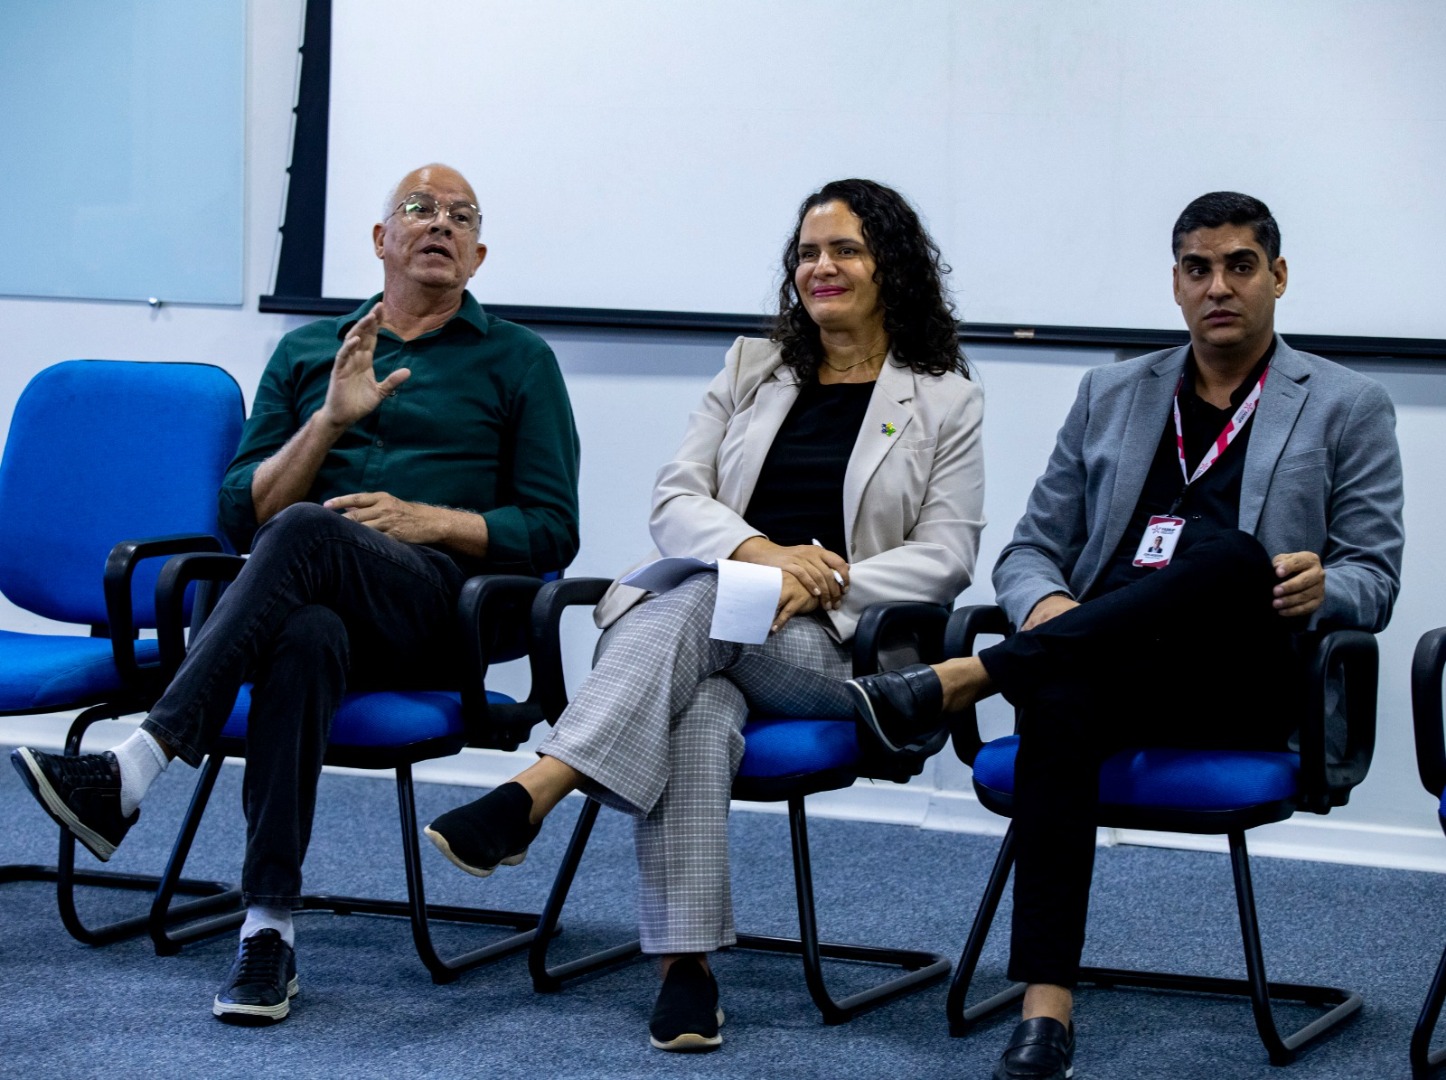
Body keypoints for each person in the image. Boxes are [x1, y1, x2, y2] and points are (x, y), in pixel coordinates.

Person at [849, 191, 1404, 1080]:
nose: (1217, 285)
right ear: (1176, 284)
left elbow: (1375, 579)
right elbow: (1032, 548)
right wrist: (1043, 612)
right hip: (1097, 661)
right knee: (1063, 692)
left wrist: (1325, 585)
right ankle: (1045, 1012)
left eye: (1239, 266)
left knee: (1231, 561)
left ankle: (968, 676)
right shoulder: (1112, 391)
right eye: (1197, 268)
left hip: (1241, 677)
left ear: (1278, 276)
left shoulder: (1347, 403)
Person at [11, 163, 581, 1024]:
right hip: (314, 608)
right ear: (380, 239)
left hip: (437, 612)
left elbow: (550, 527)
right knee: (305, 627)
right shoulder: (312, 352)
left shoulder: (520, 361)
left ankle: (139, 760)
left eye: (461, 218)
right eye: (419, 210)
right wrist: (329, 421)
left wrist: (432, 520)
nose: (440, 225)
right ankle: (266, 930)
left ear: (479, 254)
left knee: (309, 533)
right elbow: (245, 510)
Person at [424, 178, 985, 1052]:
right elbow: (676, 497)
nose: (821, 268)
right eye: (806, 252)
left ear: (893, 268)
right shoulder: (751, 366)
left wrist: (820, 582)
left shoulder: (943, 397)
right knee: (699, 702)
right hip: (721, 633)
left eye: (845, 250)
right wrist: (765, 558)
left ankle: (541, 786)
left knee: (693, 601)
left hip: (843, 657)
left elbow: (945, 557)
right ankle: (684, 971)